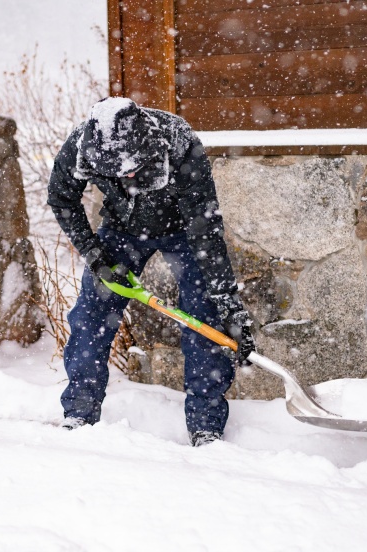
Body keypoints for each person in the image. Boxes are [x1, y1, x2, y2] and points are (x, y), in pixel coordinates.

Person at [47, 97, 256, 446]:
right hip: (120, 230)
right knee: (91, 314)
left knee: (202, 317)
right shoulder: (82, 145)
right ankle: (79, 413)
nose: (126, 176)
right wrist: (95, 256)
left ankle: (206, 426)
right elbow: (61, 198)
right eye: (116, 172)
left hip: (184, 231)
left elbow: (205, 229)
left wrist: (229, 305)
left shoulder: (180, 144)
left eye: (132, 169)